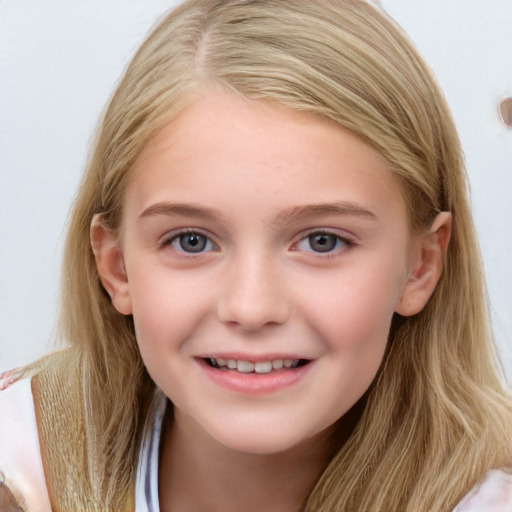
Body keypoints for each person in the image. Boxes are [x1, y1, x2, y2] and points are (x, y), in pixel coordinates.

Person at [1, 0, 511, 510]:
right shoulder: (19, 458)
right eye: (191, 241)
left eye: (322, 241)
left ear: (420, 266)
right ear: (116, 267)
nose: (251, 308)